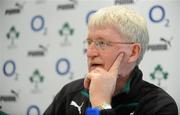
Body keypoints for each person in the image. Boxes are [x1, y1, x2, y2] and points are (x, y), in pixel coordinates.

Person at [43, 5, 178, 115]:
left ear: (133, 52)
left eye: (102, 43)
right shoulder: (70, 94)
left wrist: (101, 105)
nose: (90, 52)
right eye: (89, 42)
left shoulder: (160, 105)